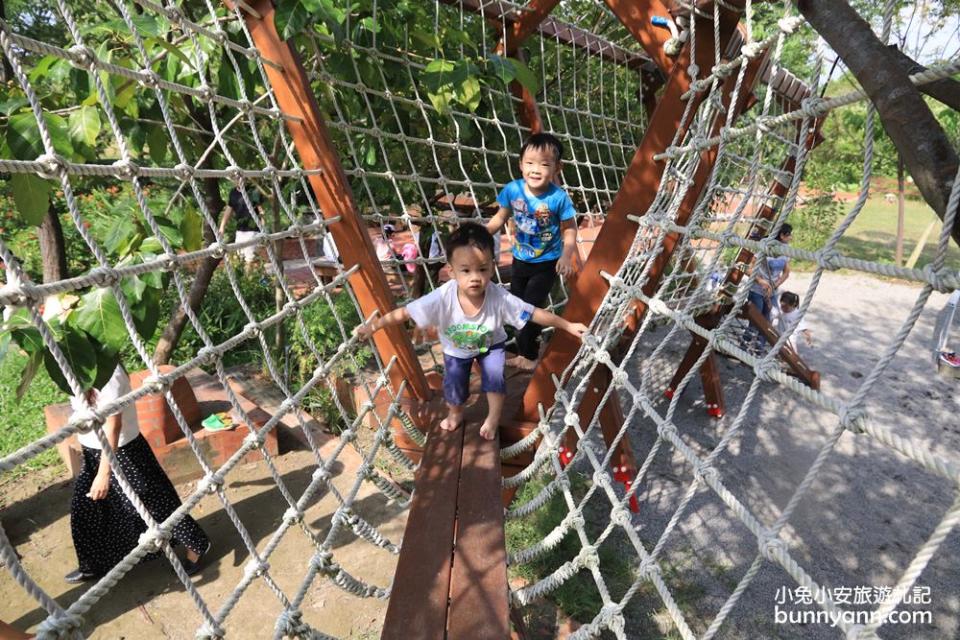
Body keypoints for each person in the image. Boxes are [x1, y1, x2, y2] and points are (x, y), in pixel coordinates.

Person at [354, 223, 587, 440]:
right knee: (454, 385)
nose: (475, 277)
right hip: (456, 350)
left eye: (482, 269)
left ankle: (493, 418)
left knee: (495, 377)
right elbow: (404, 313)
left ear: (492, 267)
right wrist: (373, 326)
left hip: (491, 345)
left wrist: (567, 325)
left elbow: (534, 313)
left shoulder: (498, 296)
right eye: (465, 270)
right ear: (452, 271)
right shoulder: (443, 296)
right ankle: (455, 414)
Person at [66, 365, 210, 583]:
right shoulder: (74, 367)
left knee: (154, 505)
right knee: (86, 509)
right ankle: (92, 565)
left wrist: (104, 473)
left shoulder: (109, 373)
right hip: (93, 451)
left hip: (121, 453)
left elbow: (114, 425)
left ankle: (197, 544)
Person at [486, 132, 580, 371]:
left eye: (544, 164)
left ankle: (529, 355)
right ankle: (523, 345)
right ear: (520, 165)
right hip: (520, 259)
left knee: (528, 307)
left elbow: (569, 228)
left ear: (558, 167)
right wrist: (481, 234)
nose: (535, 170)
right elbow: (500, 217)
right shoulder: (512, 190)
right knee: (516, 304)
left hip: (546, 262)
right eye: (529, 163)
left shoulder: (558, 198)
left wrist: (566, 255)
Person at [743, 223, 793, 351]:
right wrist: (761, 281)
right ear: (782, 235)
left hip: (772, 291)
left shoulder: (786, 250)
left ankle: (759, 347)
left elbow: (786, 272)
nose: (791, 237)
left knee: (769, 319)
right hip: (757, 290)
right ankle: (744, 345)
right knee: (756, 318)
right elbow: (748, 269)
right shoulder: (765, 246)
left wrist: (774, 285)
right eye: (789, 235)